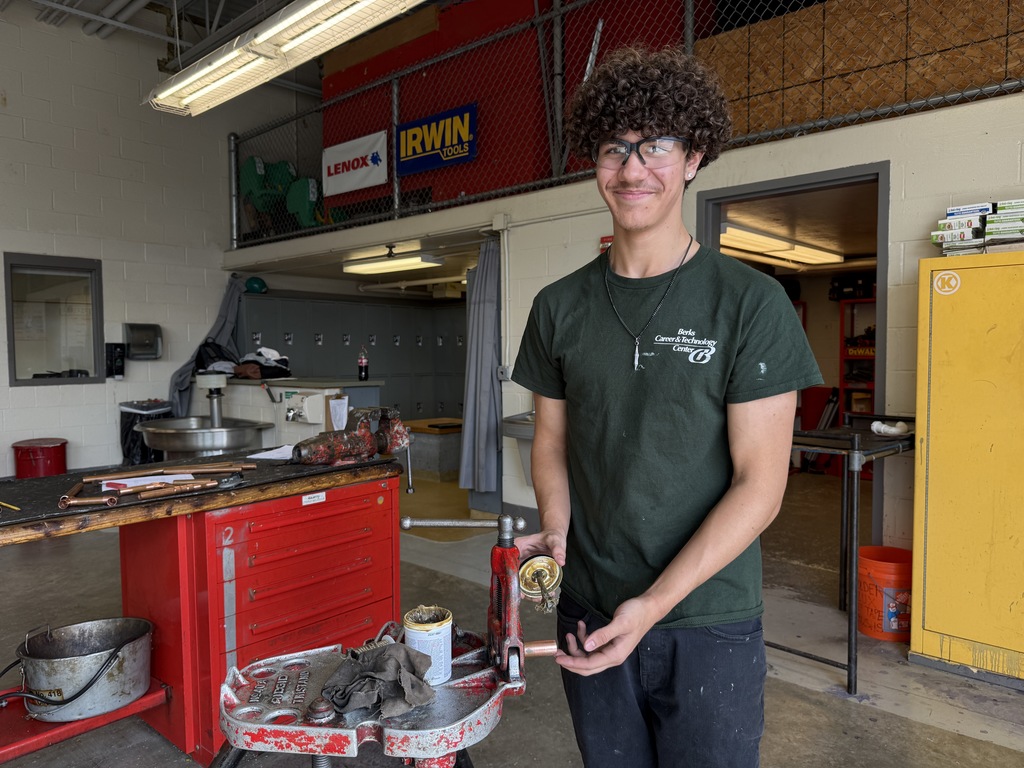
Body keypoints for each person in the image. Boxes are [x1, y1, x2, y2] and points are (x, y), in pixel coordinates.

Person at [511, 46, 823, 767]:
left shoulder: (750, 304)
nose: (632, 168)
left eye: (656, 145)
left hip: (708, 621)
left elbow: (761, 485)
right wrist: (557, 529)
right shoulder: (558, 308)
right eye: (615, 147)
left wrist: (653, 607)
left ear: (693, 157)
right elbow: (551, 441)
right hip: (589, 606)